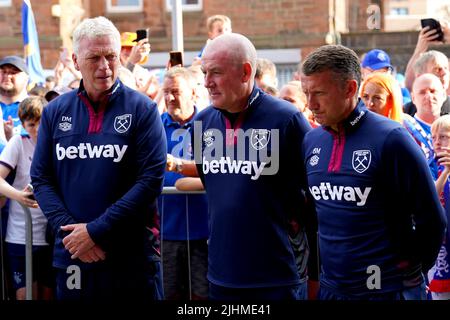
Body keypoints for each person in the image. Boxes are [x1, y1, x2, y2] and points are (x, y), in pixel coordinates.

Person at [30, 16, 167, 300]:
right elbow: (41, 178)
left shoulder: (143, 109)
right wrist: (72, 233)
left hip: (131, 256)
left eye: (111, 56)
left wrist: (94, 231)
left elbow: (151, 179)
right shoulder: (56, 111)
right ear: (76, 60)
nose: (105, 66)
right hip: (73, 254)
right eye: (94, 57)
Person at [300, 44, 446, 300]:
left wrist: (410, 277)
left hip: (387, 291)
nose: (311, 104)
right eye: (306, 93)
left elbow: (432, 220)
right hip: (333, 290)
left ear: (350, 88)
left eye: (319, 93)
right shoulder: (312, 141)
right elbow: (314, 219)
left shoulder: (392, 138)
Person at [195, 32, 316, 300]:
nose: (206, 83)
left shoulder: (287, 119)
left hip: (278, 277)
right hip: (221, 275)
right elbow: (215, 189)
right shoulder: (201, 122)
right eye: (204, 72)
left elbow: (315, 201)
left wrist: (316, 272)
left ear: (245, 72)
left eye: (215, 72)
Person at [158, 66, 209, 300]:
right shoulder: (154, 127)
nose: (169, 97)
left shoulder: (210, 125)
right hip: (166, 230)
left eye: (176, 91)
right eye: (166, 91)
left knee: (202, 293)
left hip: (205, 230)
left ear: (193, 93)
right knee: (169, 293)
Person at [0, 96, 53, 300]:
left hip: (51, 233)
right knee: (25, 296)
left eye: (41, 122)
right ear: (23, 125)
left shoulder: (56, 143)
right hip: (21, 235)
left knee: (48, 294)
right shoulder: (18, 142)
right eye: (31, 124)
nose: (37, 129)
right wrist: (19, 196)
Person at [428, 114, 450, 300]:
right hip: (440, 246)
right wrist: (446, 173)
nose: (437, 142)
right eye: (434, 137)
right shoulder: (430, 165)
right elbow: (430, 197)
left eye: (443, 137)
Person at [0, 56, 29, 142]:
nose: (7, 76)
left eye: (13, 72)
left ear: (26, 78)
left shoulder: (34, 108)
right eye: (3, 72)